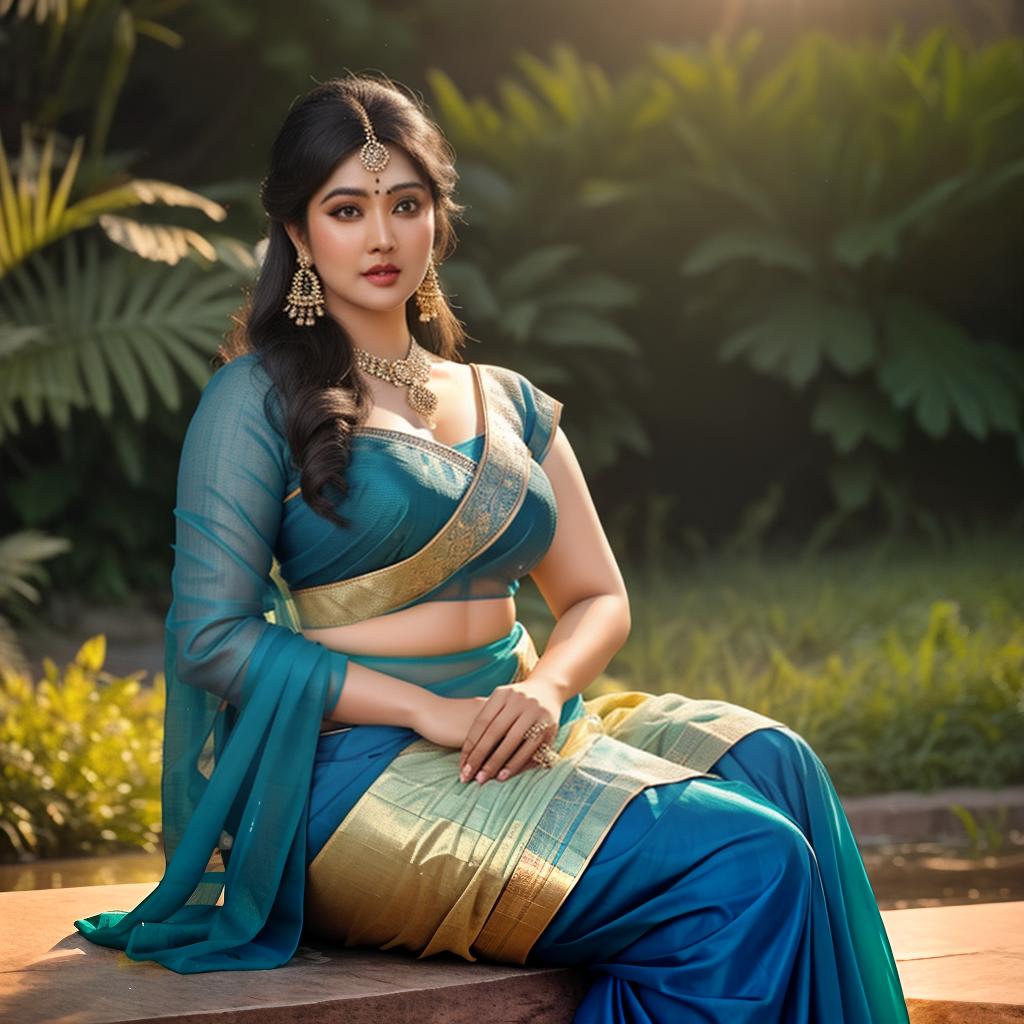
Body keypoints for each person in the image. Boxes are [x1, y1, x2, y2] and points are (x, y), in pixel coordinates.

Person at [74, 72, 909, 1022]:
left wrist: (545, 691)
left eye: (406, 204)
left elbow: (597, 595)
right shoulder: (256, 401)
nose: (382, 236)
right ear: (301, 236)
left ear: (437, 219)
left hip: (517, 726)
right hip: (355, 772)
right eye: (347, 210)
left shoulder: (504, 400)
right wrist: (429, 714)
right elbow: (212, 641)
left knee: (781, 767)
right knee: (746, 865)